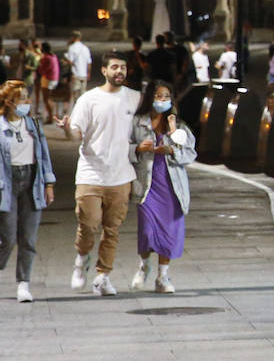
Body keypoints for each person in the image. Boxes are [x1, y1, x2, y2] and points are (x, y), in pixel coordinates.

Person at [63, 53, 142, 296]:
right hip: (90, 175)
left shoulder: (135, 98)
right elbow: (76, 134)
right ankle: (81, 259)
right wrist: (67, 129)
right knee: (88, 225)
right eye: (115, 67)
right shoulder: (89, 99)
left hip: (120, 176)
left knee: (112, 229)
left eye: (124, 67)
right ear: (104, 71)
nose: (120, 71)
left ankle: (103, 276)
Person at [128, 80, 198, 293]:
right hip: (147, 185)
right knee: (148, 231)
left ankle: (163, 277)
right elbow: (125, 147)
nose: (162, 100)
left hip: (172, 187)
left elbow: (190, 153)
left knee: (169, 232)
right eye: (158, 96)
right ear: (150, 97)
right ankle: (144, 265)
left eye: (166, 96)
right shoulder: (138, 122)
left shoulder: (179, 126)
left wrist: (172, 151)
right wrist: (138, 148)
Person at [0, 81, 55, 302]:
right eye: (22, 98)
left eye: (27, 97)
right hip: (6, 185)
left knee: (28, 238)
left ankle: (24, 284)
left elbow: (44, 155)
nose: (27, 102)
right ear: (9, 102)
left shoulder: (33, 125)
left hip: (32, 181)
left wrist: (49, 184)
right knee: (8, 238)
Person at [37, 42, 61, 123]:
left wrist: (39, 62)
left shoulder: (46, 58)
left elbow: (42, 70)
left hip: (48, 79)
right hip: (54, 79)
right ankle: (51, 115)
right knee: (50, 99)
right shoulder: (53, 56)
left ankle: (50, 117)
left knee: (46, 99)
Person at [66, 32, 92, 102]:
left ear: (73, 38)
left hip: (75, 74)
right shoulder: (85, 48)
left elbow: (70, 61)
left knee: (75, 96)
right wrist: (88, 73)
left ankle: (76, 111)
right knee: (83, 96)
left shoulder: (71, 48)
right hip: (84, 75)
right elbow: (89, 62)